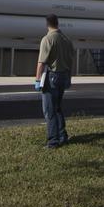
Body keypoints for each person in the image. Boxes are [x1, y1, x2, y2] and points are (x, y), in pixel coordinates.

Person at [35, 14, 75, 149]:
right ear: (58, 23)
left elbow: (41, 62)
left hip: (52, 76)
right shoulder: (66, 39)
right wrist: (69, 77)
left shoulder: (48, 39)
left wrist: (37, 79)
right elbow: (71, 61)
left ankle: (53, 140)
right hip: (63, 75)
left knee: (49, 110)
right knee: (57, 107)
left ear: (47, 24)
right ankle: (63, 136)